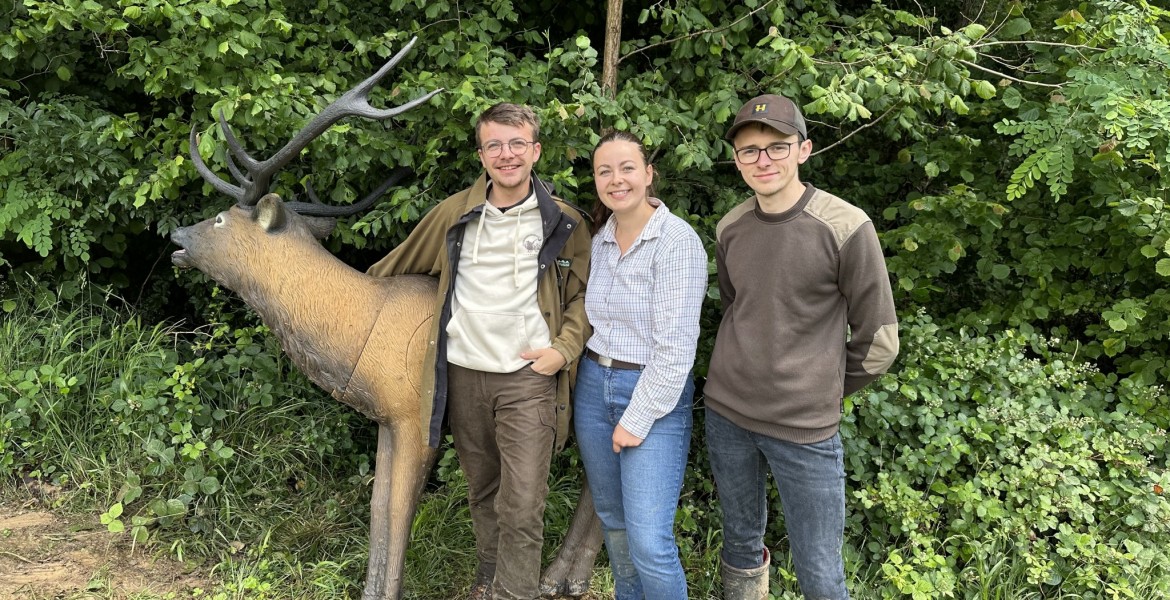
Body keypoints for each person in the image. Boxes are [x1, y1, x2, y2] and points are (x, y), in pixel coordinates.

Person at [367, 102, 591, 600]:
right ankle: (490, 578)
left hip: (529, 379)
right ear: (482, 154)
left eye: (517, 144)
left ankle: (514, 593)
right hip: (464, 375)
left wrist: (562, 350)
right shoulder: (455, 214)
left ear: (535, 150)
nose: (506, 154)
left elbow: (582, 297)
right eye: (495, 145)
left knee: (523, 503)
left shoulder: (564, 222)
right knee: (484, 490)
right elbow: (397, 266)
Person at [704, 94, 900, 599]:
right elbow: (736, 309)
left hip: (804, 428)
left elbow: (880, 340)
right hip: (727, 414)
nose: (763, 160)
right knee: (740, 543)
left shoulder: (845, 226)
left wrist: (823, 387)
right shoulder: (729, 227)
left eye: (777, 146)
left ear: (803, 150)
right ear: (737, 160)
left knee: (819, 570)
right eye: (749, 150)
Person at [573, 131, 708, 599]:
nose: (617, 179)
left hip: (653, 391)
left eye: (627, 168)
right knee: (614, 525)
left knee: (649, 541)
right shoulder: (600, 239)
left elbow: (676, 349)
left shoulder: (676, 241)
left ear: (649, 174)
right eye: (604, 171)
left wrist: (637, 417)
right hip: (594, 385)